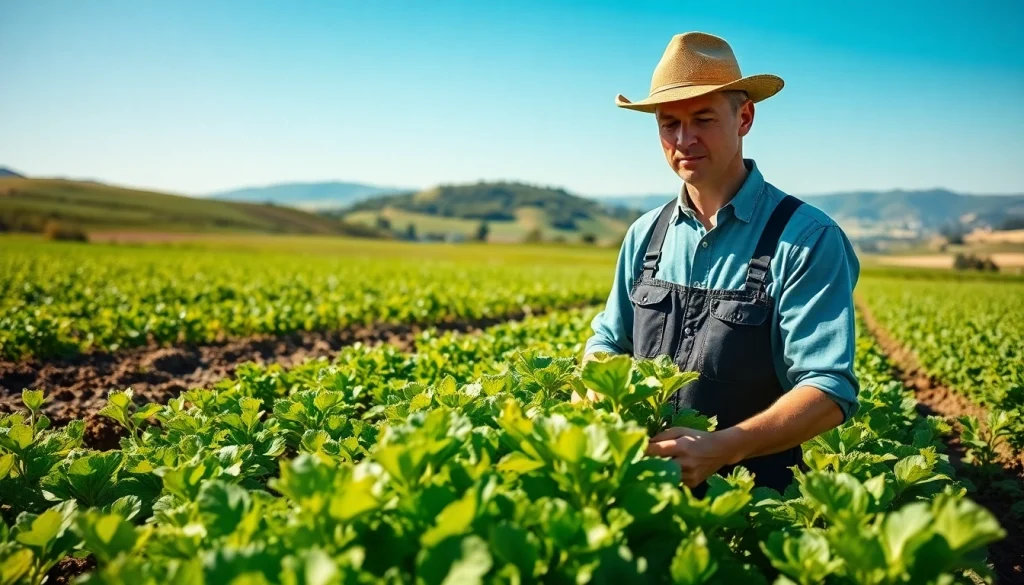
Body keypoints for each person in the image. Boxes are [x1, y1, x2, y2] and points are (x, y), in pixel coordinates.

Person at [579, 32, 860, 496]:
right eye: (669, 124)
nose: (683, 140)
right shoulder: (645, 234)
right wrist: (596, 374)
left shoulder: (808, 238)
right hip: (644, 490)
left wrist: (725, 447)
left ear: (744, 117)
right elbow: (608, 339)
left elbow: (829, 389)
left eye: (703, 119)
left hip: (755, 501)